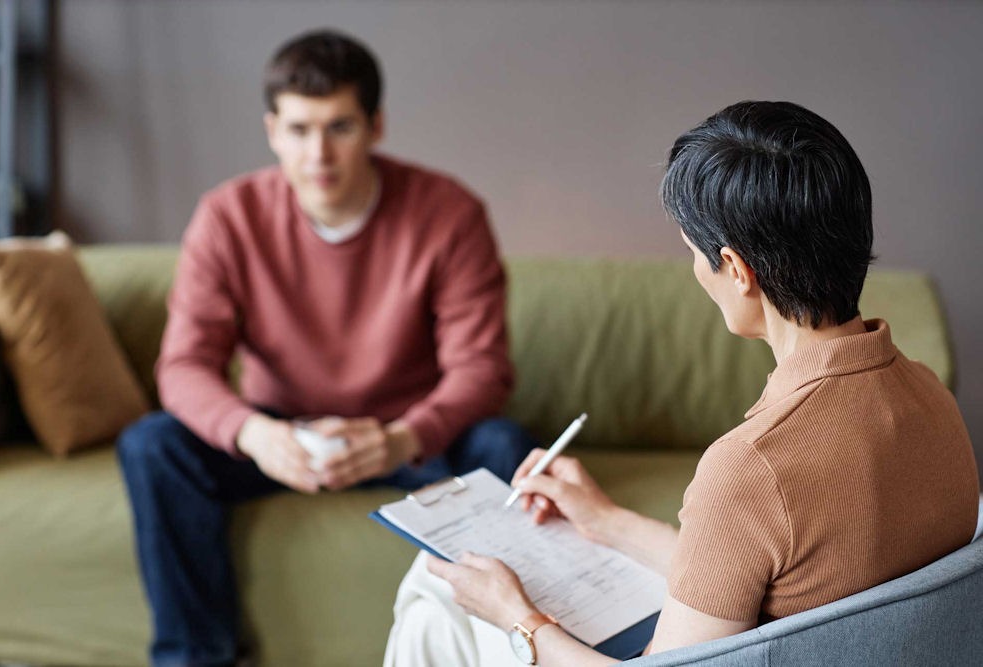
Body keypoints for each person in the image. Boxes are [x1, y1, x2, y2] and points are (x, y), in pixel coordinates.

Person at [383, 101, 980, 666]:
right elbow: (789, 589)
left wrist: (518, 617)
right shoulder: (930, 397)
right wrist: (606, 520)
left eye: (695, 252)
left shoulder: (752, 468)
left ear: (739, 272)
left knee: (433, 600)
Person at [116, 29, 535, 667]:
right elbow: (183, 367)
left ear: (376, 125)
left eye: (339, 127)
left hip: (406, 434)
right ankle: (195, 658)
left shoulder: (448, 212)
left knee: (504, 445)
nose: (319, 153)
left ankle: (492, 650)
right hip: (278, 435)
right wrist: (254, 434)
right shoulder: (228, 217)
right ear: (272, 131)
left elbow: (482, 368)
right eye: (300, 129)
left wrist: (399, 437)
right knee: (151, 443)